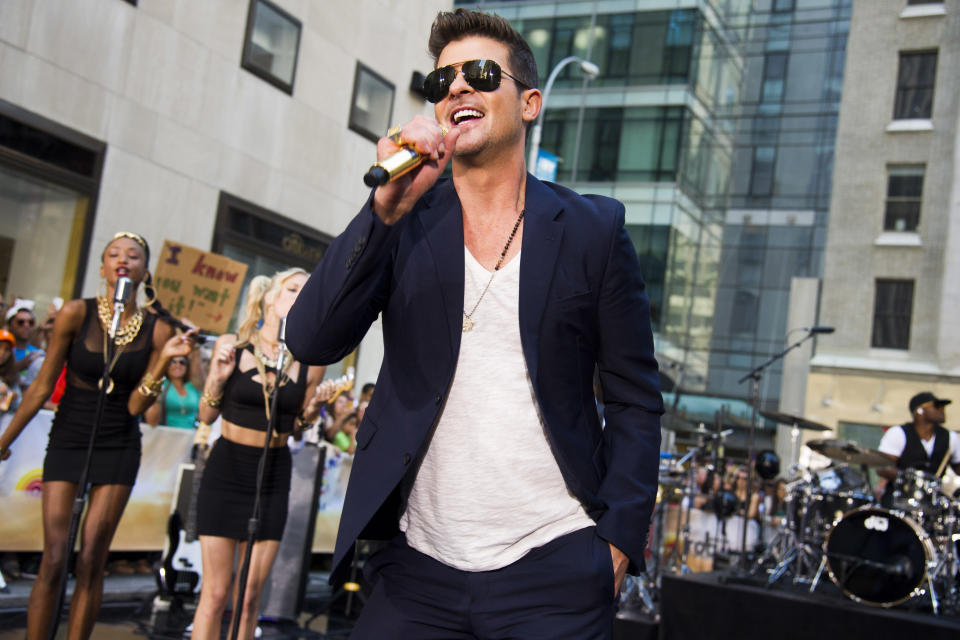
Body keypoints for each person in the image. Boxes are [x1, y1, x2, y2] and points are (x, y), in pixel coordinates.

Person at [286, 9, 662, 638]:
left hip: (555, 564)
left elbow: (633, 397)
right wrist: (382, 212)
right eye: (442, 82)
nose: (457, 87)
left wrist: (618, 541)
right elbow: (309, 338)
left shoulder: (594, 231)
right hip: (416, 565)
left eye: (482, 74)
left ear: (530, 103)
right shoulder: (404, 216)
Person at [0, 232, 196, 640]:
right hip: (70, 432)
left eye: (134, 255)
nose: (123, 260)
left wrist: (161, 361)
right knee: (54, 557)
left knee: (91, 557)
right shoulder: (76, 312)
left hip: (118, 440)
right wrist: (5, 441)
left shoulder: (158, 329)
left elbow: (136, 408)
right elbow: (40, 387)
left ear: (145, 272)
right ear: (103, 267)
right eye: (114, 254)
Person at [189, 269, 333, 640]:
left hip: (272, 474)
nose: (300, 296)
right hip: (227, 470)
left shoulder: (311, 361)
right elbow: (206, 415)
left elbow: (298, 426)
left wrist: (314, 407)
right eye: (293, 289)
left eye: (307, 292)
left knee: (249, 595)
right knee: (216, 593)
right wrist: (218, 377)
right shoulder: (233, 345)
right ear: (270, 297)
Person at [878, 392, 960, 503]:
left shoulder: (951, 437)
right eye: (936, 406)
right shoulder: (899, 433)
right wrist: (913, 479)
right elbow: (883, 467)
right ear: (919, 411)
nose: (942, 409)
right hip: (898, 500)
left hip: (932, 503)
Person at [144, 354, 202, 429]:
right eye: (172, 362)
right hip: (167, 435)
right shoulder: (161, 385)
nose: (178, 365)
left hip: (191, 436)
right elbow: (152, 421)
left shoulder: (192, 387)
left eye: (182, 362)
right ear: (166, 366)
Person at [6, 299, 44, 391]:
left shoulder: (38, 353)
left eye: (30, 322)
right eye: (20, 322)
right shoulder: (4, 350)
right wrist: (19, 366)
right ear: (10, 325)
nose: (26, 325)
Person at [0, 329, 19, 413]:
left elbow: (17, 406)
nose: (2, 352)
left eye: (7, 349)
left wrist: (13, 397)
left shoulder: (11, 375)